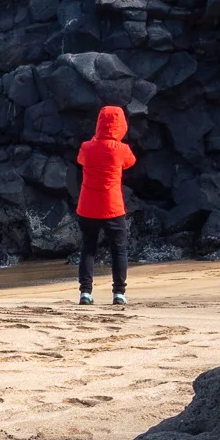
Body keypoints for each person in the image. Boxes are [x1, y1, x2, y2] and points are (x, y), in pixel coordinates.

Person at [76, 104, 133, 306]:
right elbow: (130, 162)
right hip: (112, 206)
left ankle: (85, 292)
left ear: (98, 124)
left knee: (88, 249)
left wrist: (96, 140)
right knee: (118, 249)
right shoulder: (121, 150)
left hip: (88, 207)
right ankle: (119, 293)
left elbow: (81, 159)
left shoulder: (86, 147)